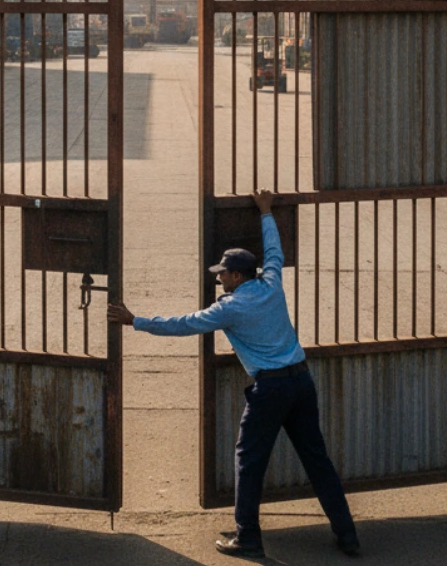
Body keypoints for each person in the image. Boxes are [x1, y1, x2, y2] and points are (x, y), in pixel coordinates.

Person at [108, 189, 359, 560]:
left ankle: (248, 538)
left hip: (271, 390)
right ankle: (348, 535)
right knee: (317, 460)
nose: (219, 278)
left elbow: (185, 324)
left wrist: (136, 321)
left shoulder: (231, 308)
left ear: (236, 275)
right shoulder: (271, 283)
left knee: (249, 461)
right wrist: (266, 212)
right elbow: (275, 253)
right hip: (301, 382)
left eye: (222, 273)